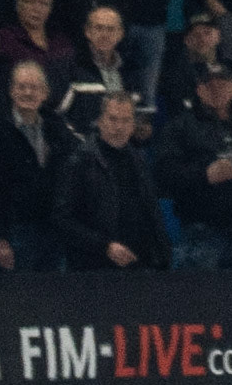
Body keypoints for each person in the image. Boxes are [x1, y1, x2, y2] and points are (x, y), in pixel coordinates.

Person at [156, 61, 232, 270]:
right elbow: (163, 175)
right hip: (200, 231)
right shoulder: (180, 127)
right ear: (199, 90)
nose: (218, 91)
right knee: (200, 300)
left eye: (223, 85)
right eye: (211, 86)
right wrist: (204, 175)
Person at [0, 58, 75, 272]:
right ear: (11, 91)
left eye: (34, 87)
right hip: (15, 232)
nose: (28, 93)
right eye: (22, 87)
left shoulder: (58, 130)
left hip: (54, 230)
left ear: (45, 93)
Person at [52, 94, 171, 270]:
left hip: (138, 264)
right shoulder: (80, 162)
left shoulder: (138, 160)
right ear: (100, 121)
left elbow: (150, 210)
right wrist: (104, 246)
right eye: (113, 119)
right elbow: (62, 219)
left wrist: (162, 253)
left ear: (133, 125)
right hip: (94, 269)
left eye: (126, 120)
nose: (119, 126)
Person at [58, 6, 137, 139]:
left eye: (110, 29)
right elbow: (55, 117)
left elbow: (135, 116)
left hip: (120, 150)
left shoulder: (130, 70)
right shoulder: (69, 67)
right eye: (99, 28)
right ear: (87, 32)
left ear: (121, 34)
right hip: (80, 151)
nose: (104, 34)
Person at [0, 0, 75, 97]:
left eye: (43, 3)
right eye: (31, 2)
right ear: (18, 6)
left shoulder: (61, 42)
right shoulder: (4, 39)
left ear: (50, 9)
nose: (37, 9)